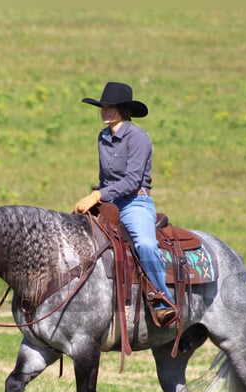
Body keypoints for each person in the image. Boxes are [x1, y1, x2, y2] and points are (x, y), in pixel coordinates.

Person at [74, 81, 177, 327]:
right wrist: (96, 197)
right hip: (110, 200)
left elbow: (131, 181)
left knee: (145, 244)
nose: (104, 111)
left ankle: (163, 301)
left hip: (135, 201)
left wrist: (98, 196)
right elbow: (106, 178)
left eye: (110, 107)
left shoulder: (138, 137)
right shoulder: (103, 137)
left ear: (124, 111)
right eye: (102, 107)